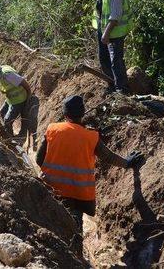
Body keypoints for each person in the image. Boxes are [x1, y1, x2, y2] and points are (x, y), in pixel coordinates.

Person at [36, 95, 144, 234]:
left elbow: (39, 159)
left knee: (50, 228)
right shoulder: (90, 137)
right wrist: (128, 163)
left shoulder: (52, 129)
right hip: (78, 195)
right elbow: (108, 157)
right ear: (83, 113)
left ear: (65, 113)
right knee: (74, 230)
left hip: (51, 189)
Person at [91, 0, 132, 94]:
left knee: (116, 61)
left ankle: (122, 89)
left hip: (115, 32)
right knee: (104, 59)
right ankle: (112, 85)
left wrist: (106, 34)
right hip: (105, 31)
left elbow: (115, 16)